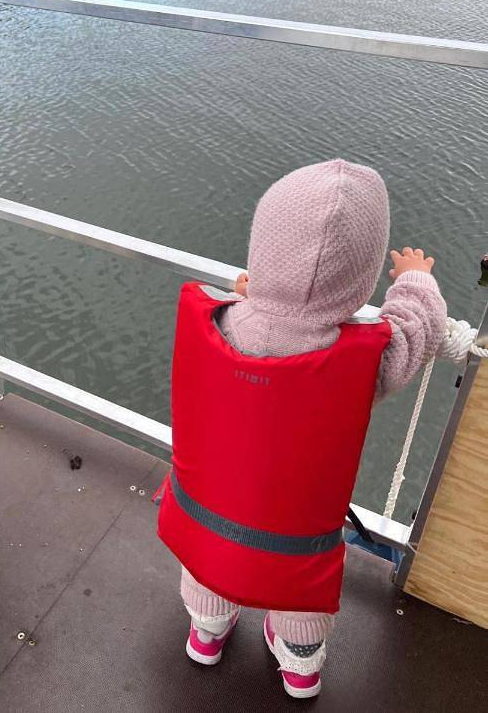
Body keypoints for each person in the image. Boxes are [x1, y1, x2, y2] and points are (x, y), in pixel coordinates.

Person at [156, 160, 447, 699]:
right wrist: (415, 280)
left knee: (208, 569)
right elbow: (418, 329)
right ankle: (301, 669)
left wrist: (252, 294)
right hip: (294, 540)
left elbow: (254, 314)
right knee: (298, 597)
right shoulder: (362, 362)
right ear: (358, 281)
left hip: (209, 522)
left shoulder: (218, 320)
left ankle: (206, 633)